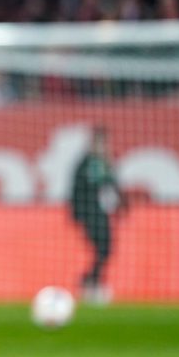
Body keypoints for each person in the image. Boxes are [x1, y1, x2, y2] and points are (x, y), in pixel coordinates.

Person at [69, 125, 123, 304]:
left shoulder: (105, 163)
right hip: (89, 213)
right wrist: (76, 214)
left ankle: (91, 281)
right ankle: (91, 282)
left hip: (101, 213)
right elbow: (76, 189)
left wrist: (121, 205)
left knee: (106, 249)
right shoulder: (86, 163)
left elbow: (112, 185)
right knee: (102, 248)